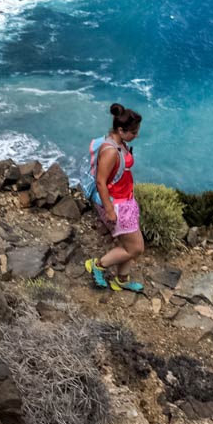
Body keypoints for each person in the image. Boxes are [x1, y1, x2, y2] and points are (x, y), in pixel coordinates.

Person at [85, 103, 145, 293]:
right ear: (121, 130)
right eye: (133, 132)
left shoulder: (120, 142)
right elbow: (101, 182)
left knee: (126, 244)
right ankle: (98, 265)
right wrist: (109, 210)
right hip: (116, 204)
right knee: (136, 248)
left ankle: (122, 279)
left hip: (126, 199)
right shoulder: (111, 151)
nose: (136, 135)